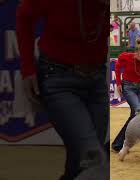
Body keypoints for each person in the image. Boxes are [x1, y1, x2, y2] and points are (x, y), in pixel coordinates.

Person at [16, 0, 108, 179]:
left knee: (80, 161)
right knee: (92, 157)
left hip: (96, 79)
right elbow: (24, 15)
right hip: (58, 78)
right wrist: (27, 68)